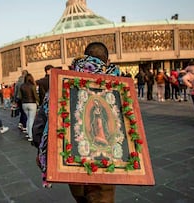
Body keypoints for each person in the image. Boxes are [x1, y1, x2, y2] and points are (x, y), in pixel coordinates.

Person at [38, 42, 119, 202]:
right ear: (107, 61)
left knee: (81, 198)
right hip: (104, 162)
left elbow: (41, 123)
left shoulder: (63, 82)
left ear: (84, 56)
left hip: (73, 159)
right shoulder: (117, 84)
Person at [19, 73, 39, 142]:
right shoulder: (32, 86)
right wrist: (38, 101)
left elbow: (20, 96)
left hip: (24, 104)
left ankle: (28, 132)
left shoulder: (22, 86)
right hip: (32, 103)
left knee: (28, 118)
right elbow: (35, 96)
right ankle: (31, 136)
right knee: (31, 119)